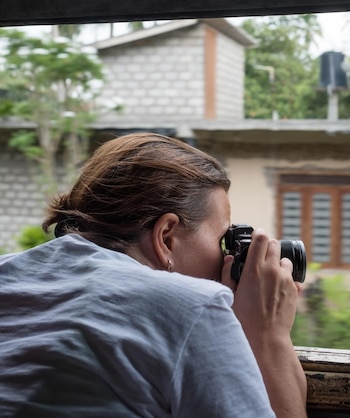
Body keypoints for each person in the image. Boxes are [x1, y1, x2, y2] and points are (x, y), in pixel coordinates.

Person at [0, 133, 307, 417]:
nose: (227, 256)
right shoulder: (193, 306)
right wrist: (269, 334)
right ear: (166, 237)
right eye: (221, 239)